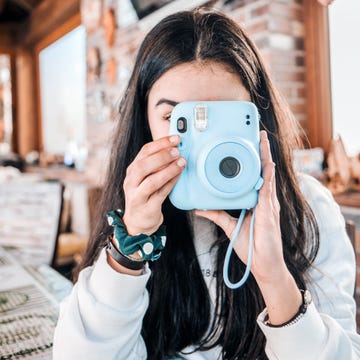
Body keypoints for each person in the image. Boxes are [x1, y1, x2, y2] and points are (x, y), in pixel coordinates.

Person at [53, 7, 360, 360]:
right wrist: (131, 244)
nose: (204, 145)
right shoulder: (136, 209)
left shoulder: (308, 205)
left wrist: (274, 276)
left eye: (222, 117)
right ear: (144, 121)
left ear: (257, 116)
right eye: (175, 118)